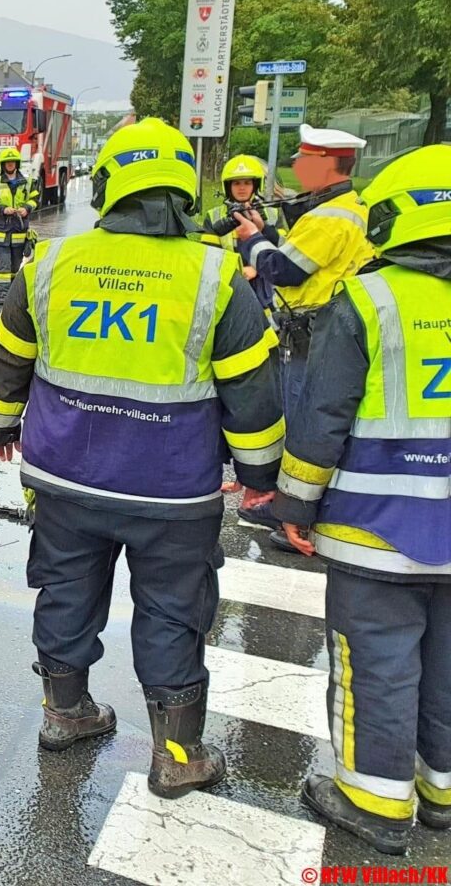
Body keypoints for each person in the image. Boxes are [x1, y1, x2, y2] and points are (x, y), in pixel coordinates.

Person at [0, 118, 282, 800]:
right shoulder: (215, 275)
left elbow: (10, 355)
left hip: (64, 480)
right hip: (171, 491)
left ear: (111, 186)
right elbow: (253, 391)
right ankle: (177, 754)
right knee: (173, 611)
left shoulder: (52, 263)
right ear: (183, 191)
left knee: (65, 591)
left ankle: (65, 715)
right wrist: (262, 479)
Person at [265, 145, 451, 856]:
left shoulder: (372, 299)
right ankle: (439, 792)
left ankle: (374, 802)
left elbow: (323, 418)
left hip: (377, 532)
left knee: (375, 664)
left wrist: (295, 507)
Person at [234, 126, 375, 546]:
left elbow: (286, 271)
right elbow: (304, 258)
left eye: (304, 159)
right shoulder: (348, 207)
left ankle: (291, 515)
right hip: (323, 328)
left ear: (325, 165)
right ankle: (290, 505)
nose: (296, 165)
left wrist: (253, 240)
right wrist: (271, 236)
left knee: (302, 424)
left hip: (312, 332)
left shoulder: (328, 217)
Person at [0, 147, 40, 305]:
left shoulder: (28, 183)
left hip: (19, 234)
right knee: (3, 269)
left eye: (12, 162)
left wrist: (27, 208)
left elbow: (35, 200)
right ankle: (3, 299)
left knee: (15, 269)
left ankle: (13, 297)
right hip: (1, 235)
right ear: (2, 165)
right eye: (7, 162)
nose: (10, 165)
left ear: (17, 163)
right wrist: (3, 209)